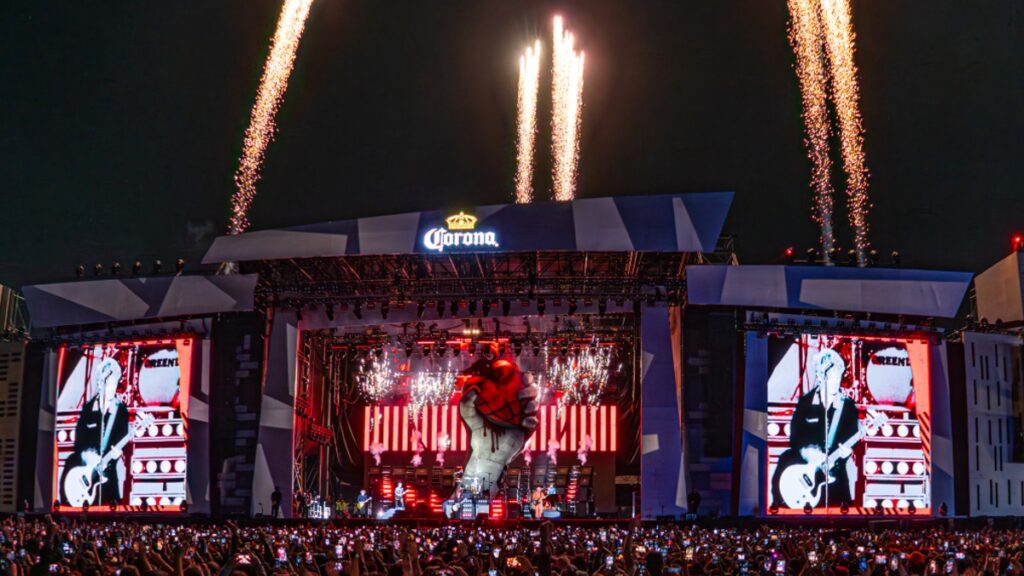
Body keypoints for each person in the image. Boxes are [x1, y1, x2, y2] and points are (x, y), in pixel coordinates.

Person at [772, 348, 860, 509]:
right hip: (805, 470)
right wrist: (810, 453)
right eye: (833, 379)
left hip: (834, 477)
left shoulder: (848, 407)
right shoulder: (805, 403)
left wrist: (848, 452)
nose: (837, 383)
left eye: (839, 378)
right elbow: (795, 439)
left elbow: (853, 439)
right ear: (821, 377)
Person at [60, 358, 130, 507]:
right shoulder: (88, 408)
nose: (111, 388)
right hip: (86, 469)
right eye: (107, 383)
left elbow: (123, 440)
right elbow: (78, 443)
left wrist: (118, 453)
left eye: (114, 383)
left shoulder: (121, 411)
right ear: (100, 382)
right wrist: (89, 457)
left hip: (108, 473)